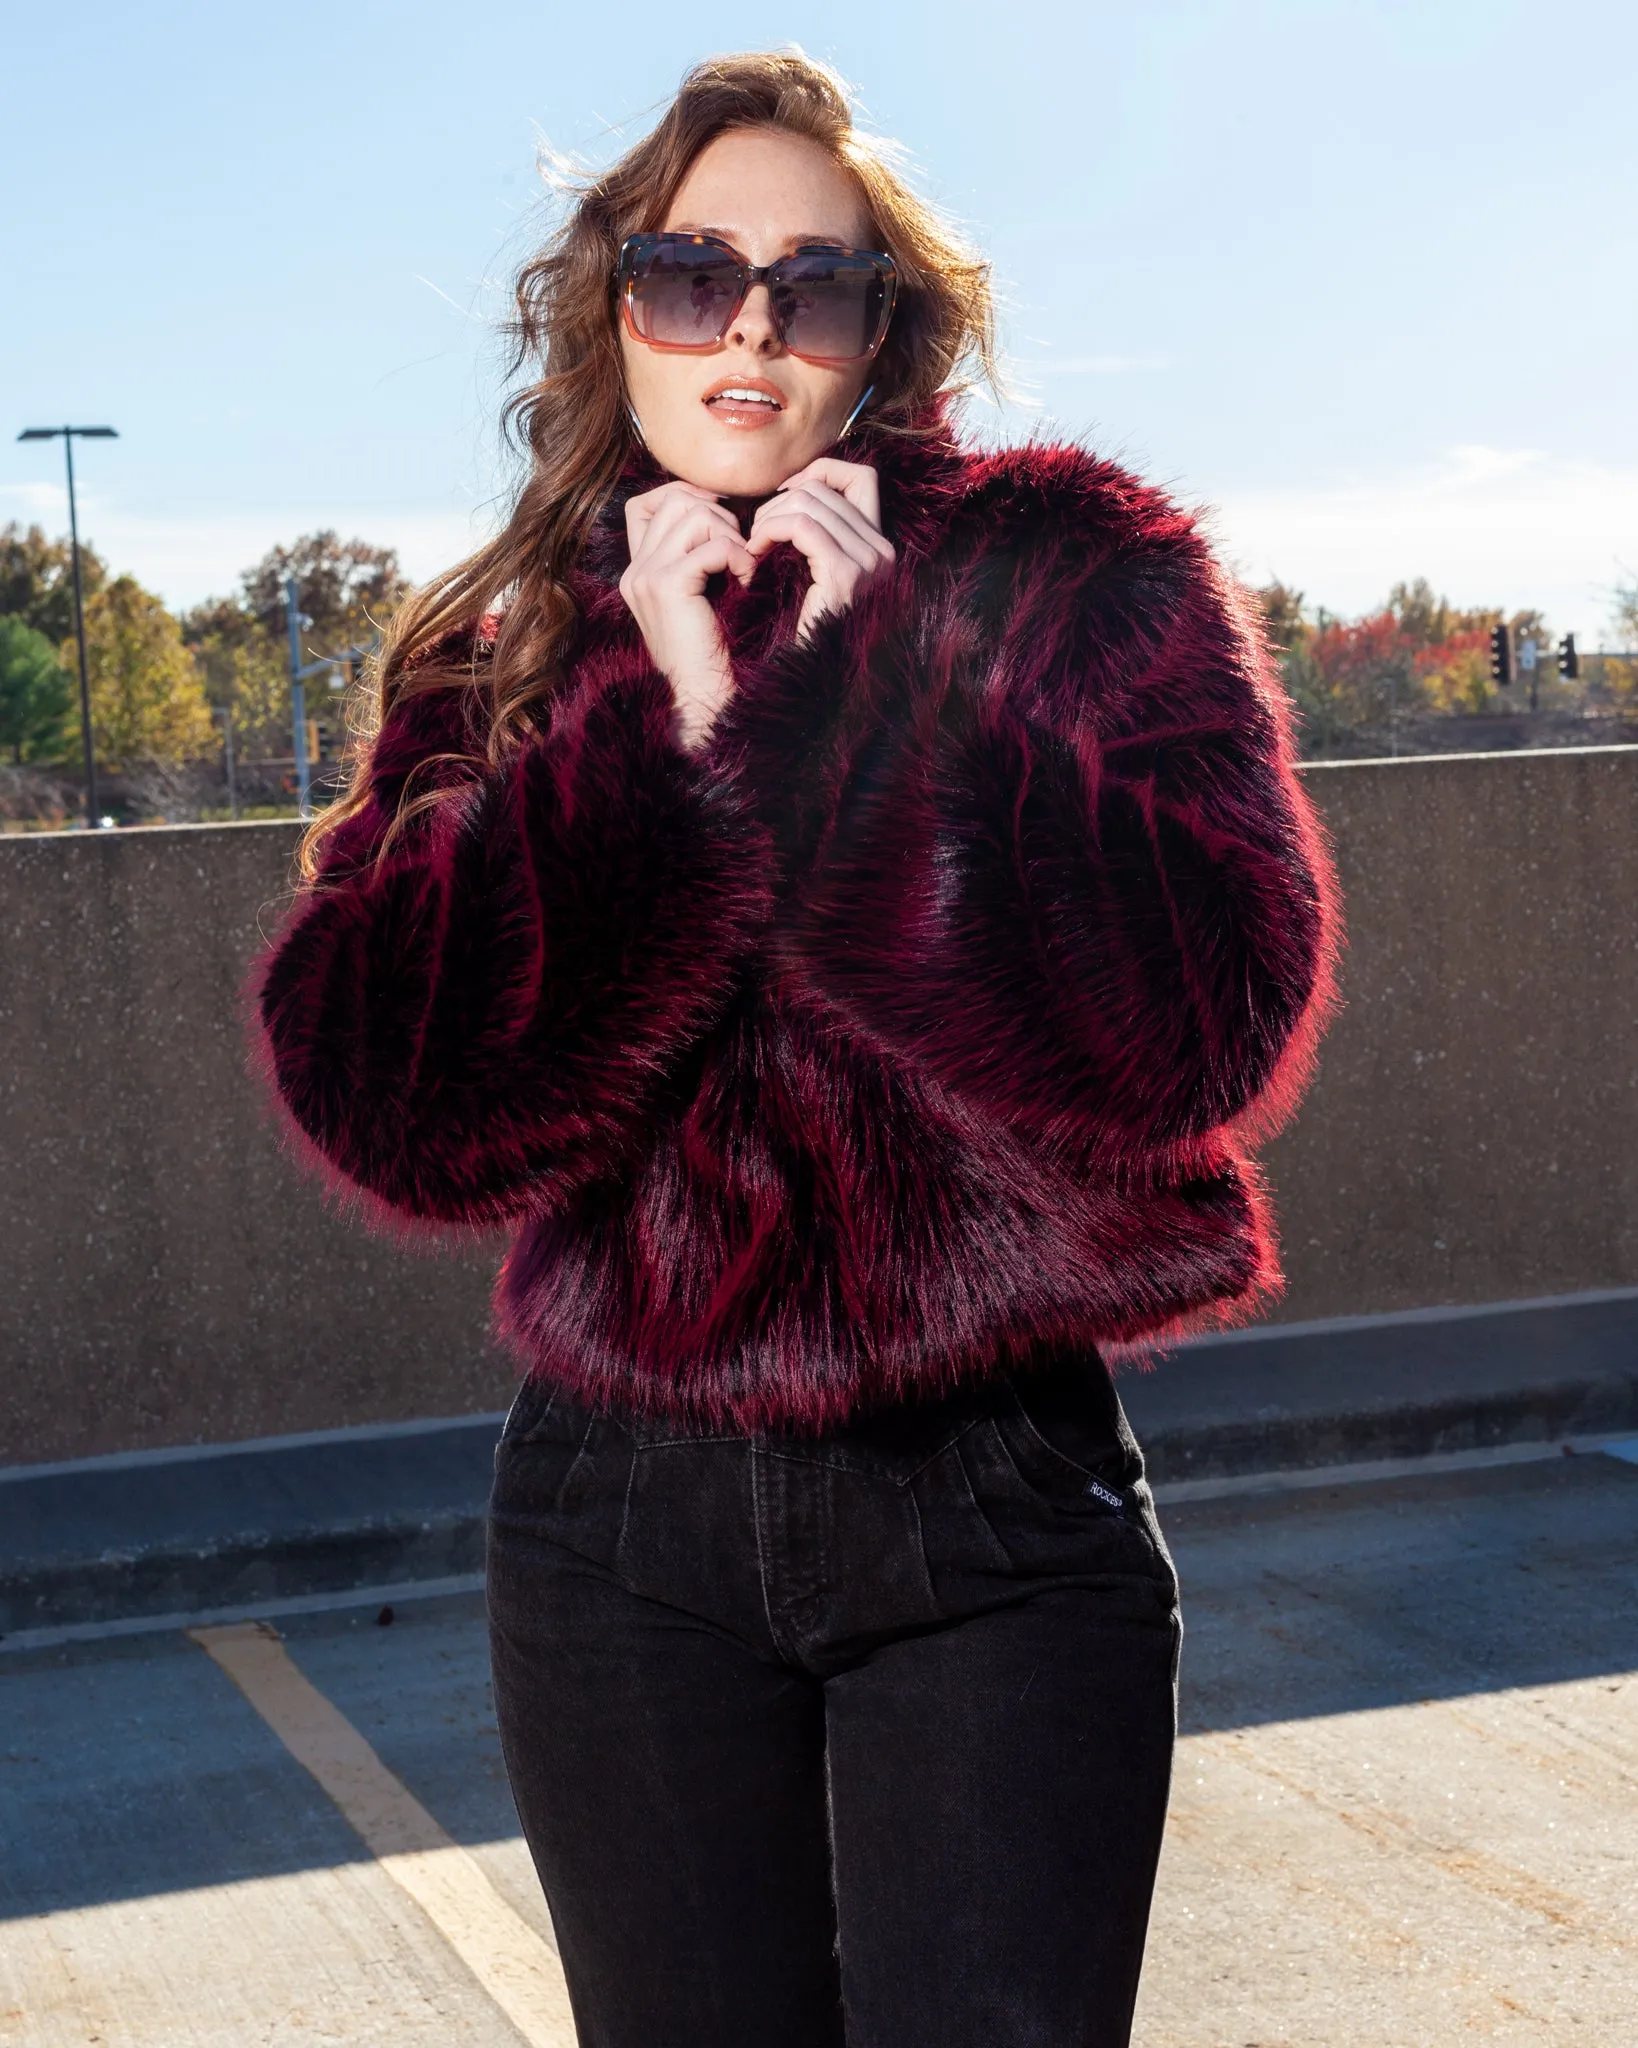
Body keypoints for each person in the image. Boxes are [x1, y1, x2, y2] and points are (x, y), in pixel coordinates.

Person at [251, 49, 1337, 2048]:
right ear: (617, 309)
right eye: (689, 272)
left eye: (809, 283)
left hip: (992, 1502)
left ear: (881, 331)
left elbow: (1206, 1021)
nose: (747, 321)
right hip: (616, 1531)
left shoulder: (1071, 573)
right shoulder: (500, 649)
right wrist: (662, 749)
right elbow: (394, 1101)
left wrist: (866, 726)